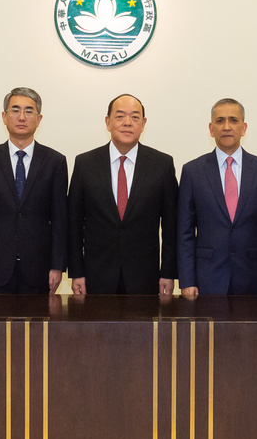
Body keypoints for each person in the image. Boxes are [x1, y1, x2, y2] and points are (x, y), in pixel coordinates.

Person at [68, 94, 178, 296]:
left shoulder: (162, 165)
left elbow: (171, 226)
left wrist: (168, 273)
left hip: (145, 277)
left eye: (135, 117)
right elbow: (74, 224)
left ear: (143, 124)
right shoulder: (85, 164)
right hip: (96, 276)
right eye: (120, 116)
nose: (128, 122)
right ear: (107, 122)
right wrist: (76, 272)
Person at [177, 98, 257, 298]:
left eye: (233, 120)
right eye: (220, 121)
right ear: (211, 129)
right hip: (207, 277)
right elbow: (185, 231)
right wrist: (187, 280)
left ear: (244, 128)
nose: (226, 126)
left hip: (254, 277)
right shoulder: (192, 171)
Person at [0, 88, 68, 295]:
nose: (22, 117)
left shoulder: (55, 162)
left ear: (39, 119)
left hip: (40, 267)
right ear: (4, 117)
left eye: (29, 111)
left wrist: (57, 265)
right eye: (15, 110)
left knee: (39, 317)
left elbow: (60, 219)